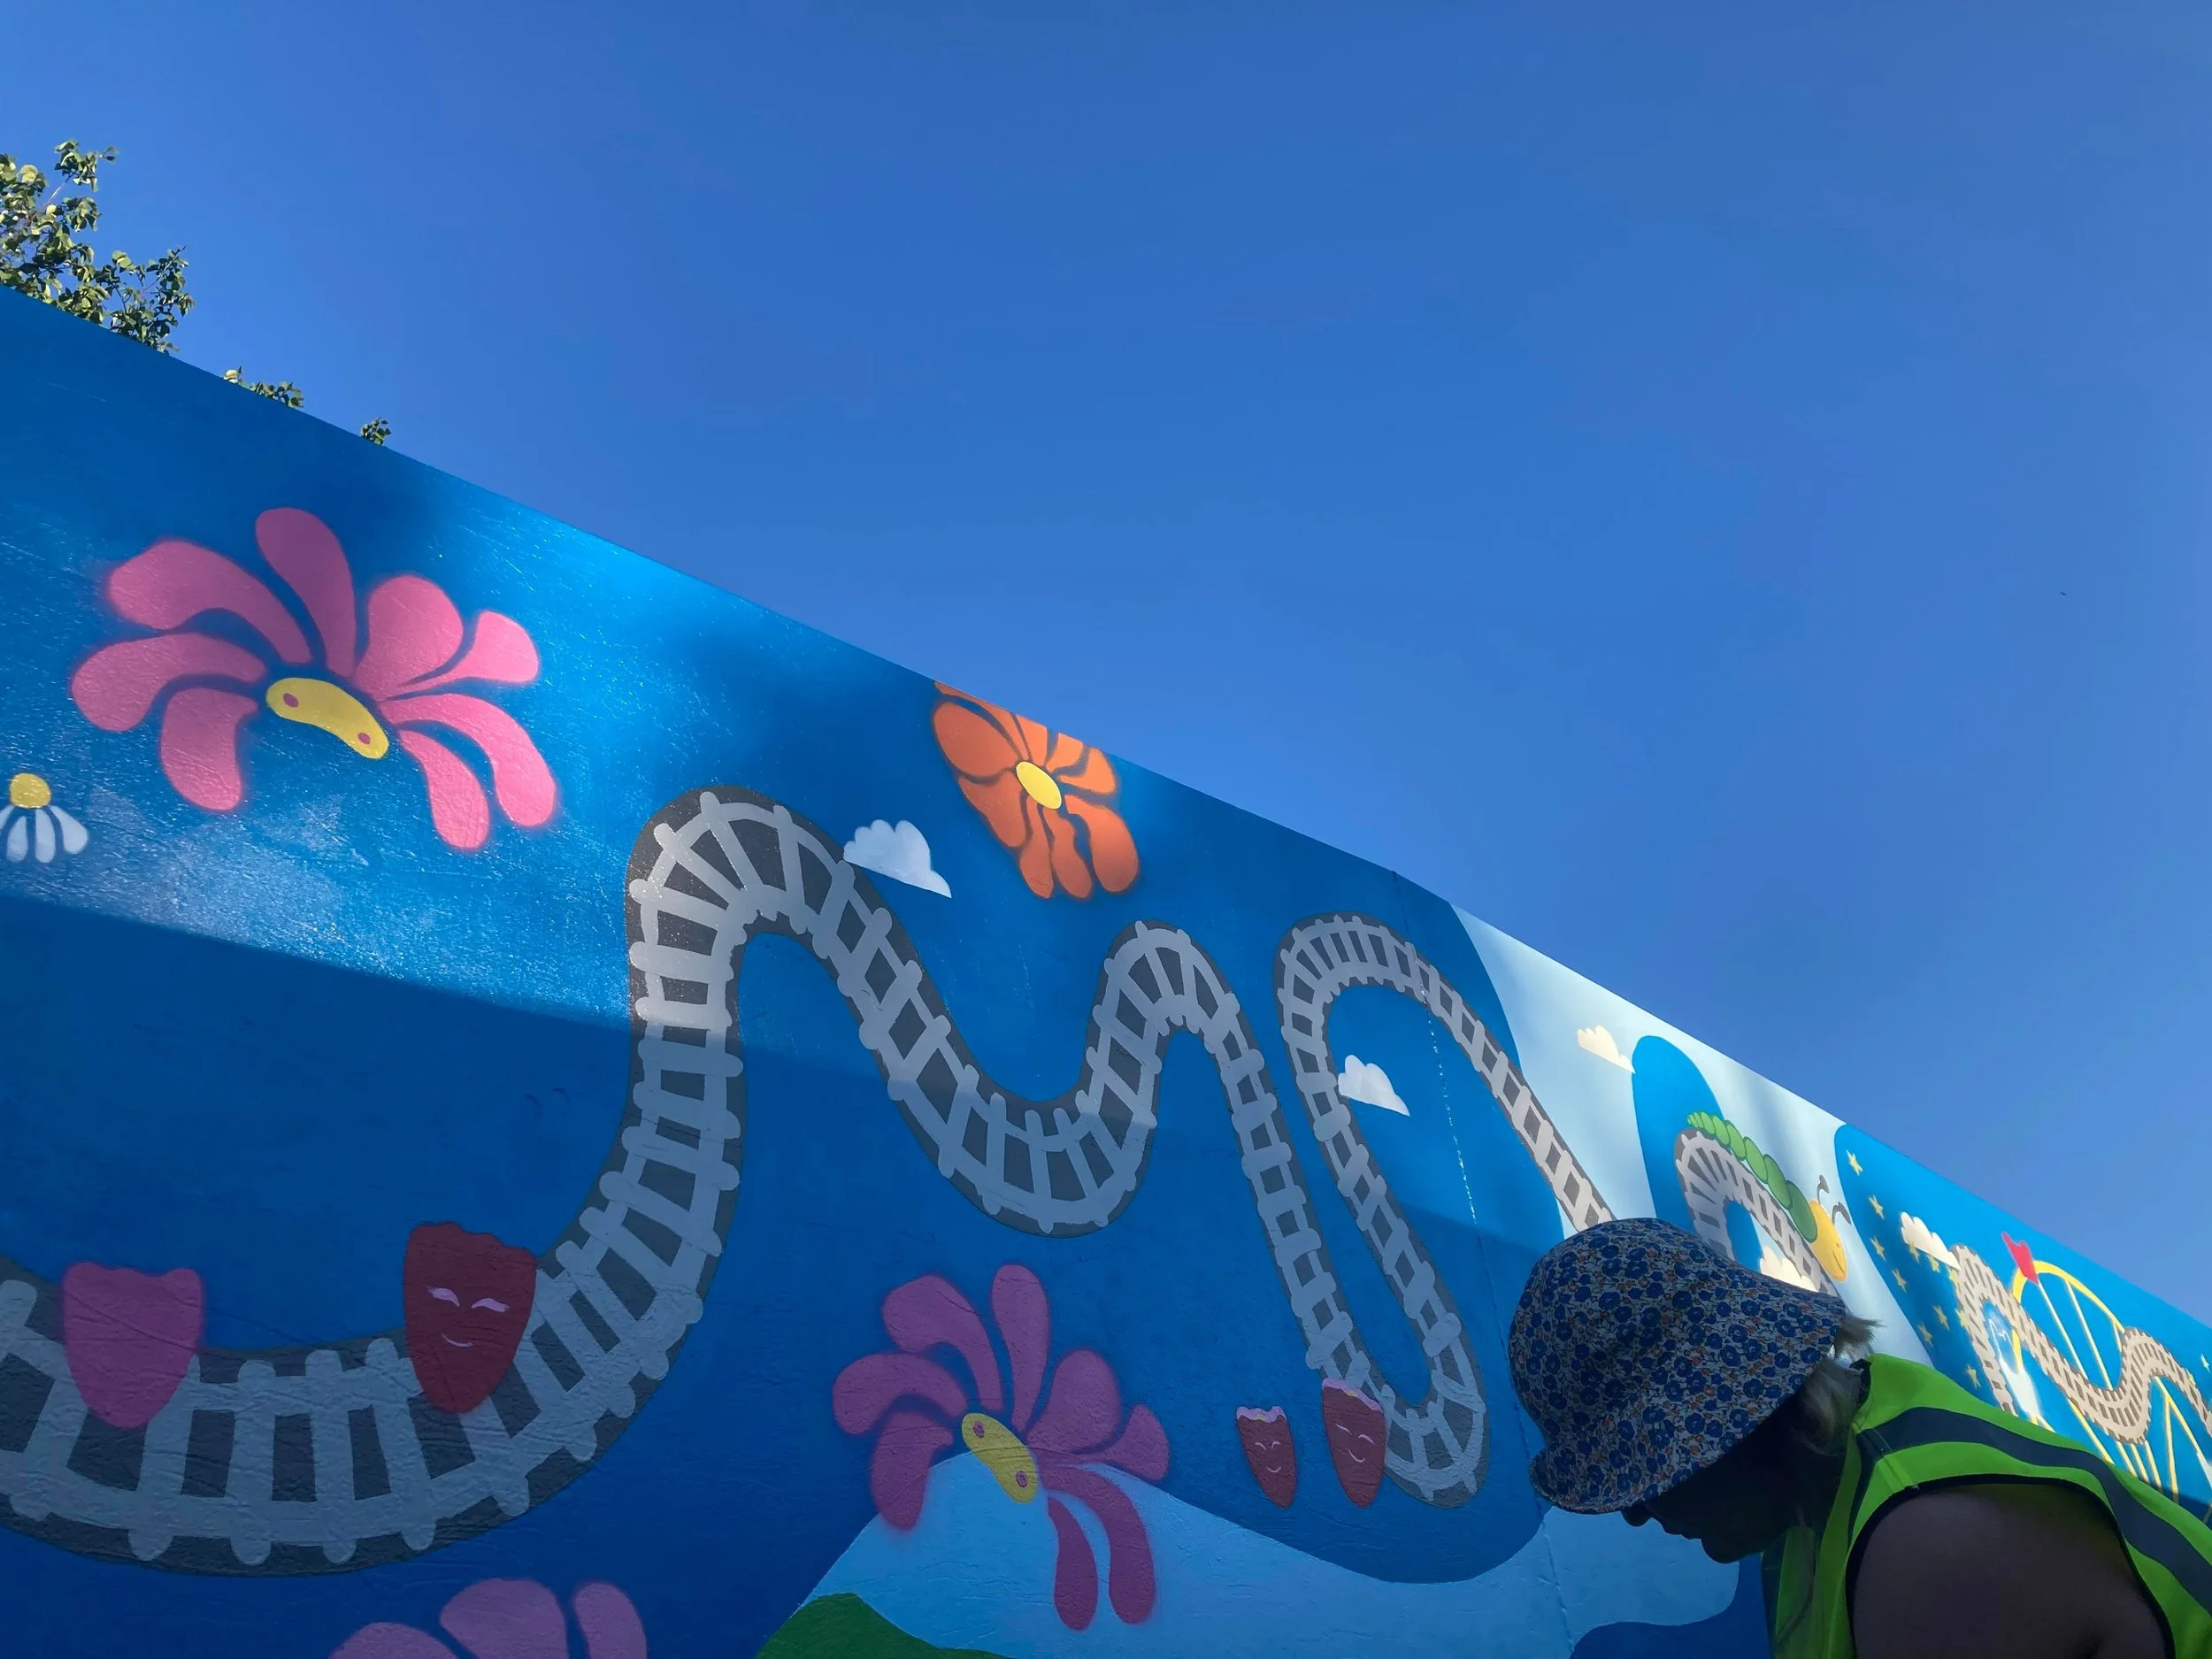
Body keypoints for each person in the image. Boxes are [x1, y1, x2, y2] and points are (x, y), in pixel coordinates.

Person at [1507, 1217, 2212, 1658]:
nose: (1635, 1509)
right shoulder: (1819, 1507)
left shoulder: (1924, 1546)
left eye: (1650, 1467)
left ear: (1737, 1415)